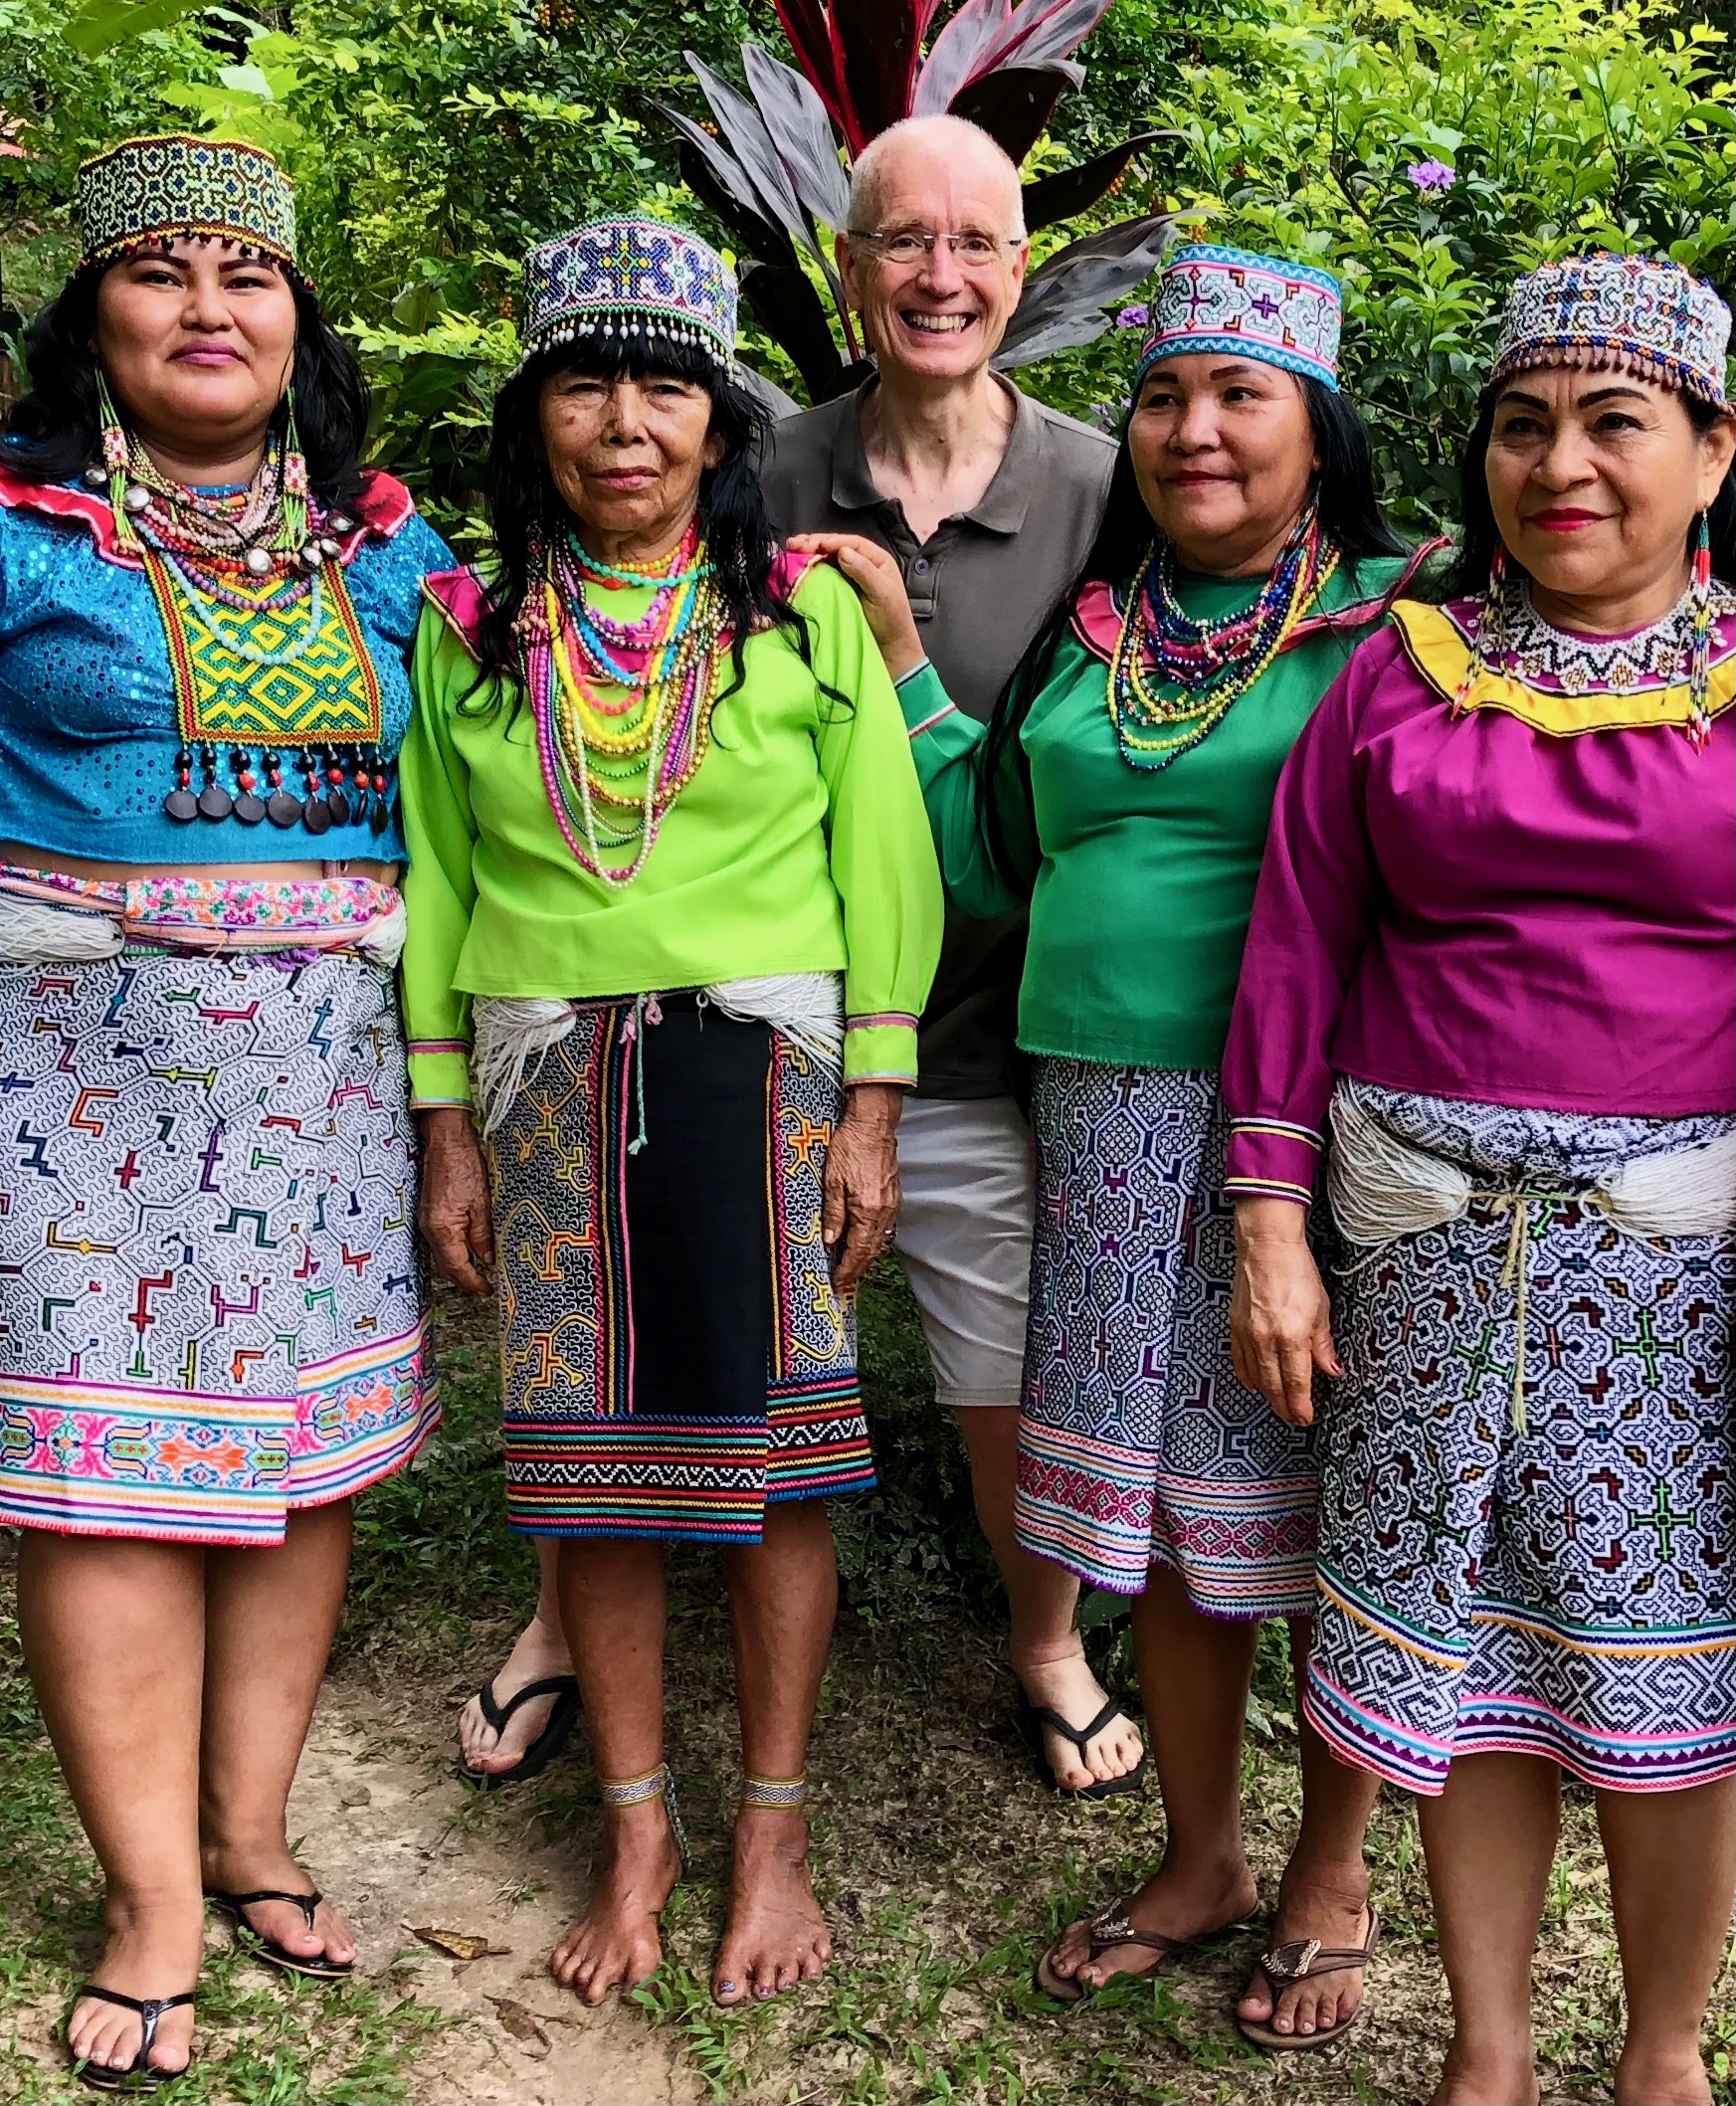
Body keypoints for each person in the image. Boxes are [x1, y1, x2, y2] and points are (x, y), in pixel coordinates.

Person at [798, 244, 1442, 2043]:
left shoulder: (1401, 632)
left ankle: (1328, 1866)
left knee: (1314, 1504)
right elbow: (989, 858)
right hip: (1088, 1115)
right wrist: (917, 665)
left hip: (1307, 1138)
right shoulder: (1093, 638)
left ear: (1317, 431)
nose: (1192, 428)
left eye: (1241, 394)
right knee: (1156, 1514)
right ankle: (1198, 1852)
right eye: (1163, 396)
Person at [458, 116, 1137, 1804]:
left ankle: (1040, 1636)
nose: (941, 275)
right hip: (777, 1027)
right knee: (596, 1330)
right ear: (844, 270)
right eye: (903, 241)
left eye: (976, 242)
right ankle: (561, 1612)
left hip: (1004, 1013)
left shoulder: (1104, 483)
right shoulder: (758, 463)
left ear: (1021, 267)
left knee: (998, 1370)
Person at [400, 218, 942, 2008]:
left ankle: (769, 1831)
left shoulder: (797, 615)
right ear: (532, 418)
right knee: (589, 1477)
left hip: (765, 1078)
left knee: (779, 1470)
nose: (624, 421)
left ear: (719, 419)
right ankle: (638, 1828)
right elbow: (433, 877)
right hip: (550, 1079)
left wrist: (870, 1108)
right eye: (583, 381)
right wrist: (447, 1126)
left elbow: (883, 859)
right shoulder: (468, 632)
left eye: (665, 384)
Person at [1224, 253, 1736, 2106]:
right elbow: (1295, 954)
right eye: (1522, 426)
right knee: (1467, 1662)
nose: (1560, 465)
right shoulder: (1397, 680)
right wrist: (1269, 1226)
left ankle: (1663, 2057)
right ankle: (1490, 2057)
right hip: (1422, 1244)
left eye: (1614, 423)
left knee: (1668, 1677)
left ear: (1709, 450)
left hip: (1677, 1270)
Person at [0, 134, 449, 2089]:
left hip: (334, 1078)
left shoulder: (399, 551)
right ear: (89, 317)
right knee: (106, 1471)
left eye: (245, 275)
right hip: (74, 1084)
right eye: (160, 274)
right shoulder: (19, 539)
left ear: (297, 318)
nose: (206, 308)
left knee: (294, 1460)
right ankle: (150, 1905)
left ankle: (249, 1827)